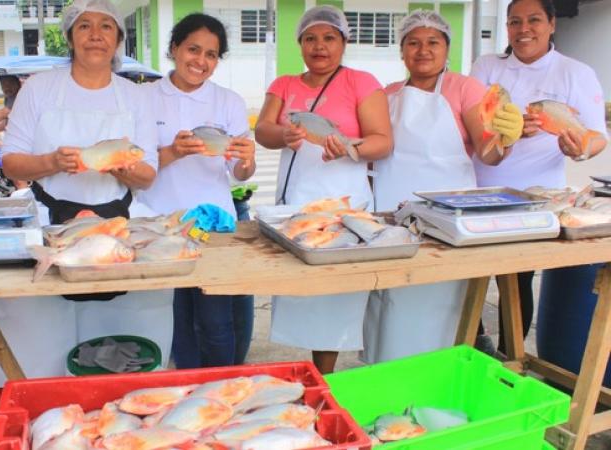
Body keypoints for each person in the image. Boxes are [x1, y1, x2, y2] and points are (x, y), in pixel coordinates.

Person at [0, 0, 169, 389]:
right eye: (85, 26)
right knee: (36, 336)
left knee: (127, 329)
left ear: (119, 39)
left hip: (118, 222)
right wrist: (52, 161)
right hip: (49, 219)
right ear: (70, 38)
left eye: (106, 27)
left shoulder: (136, 96)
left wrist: (121, 166)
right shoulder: (40, 89)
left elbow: (148, 176)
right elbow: (11, 163)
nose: (96, 35)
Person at [362, 10, 523, 363]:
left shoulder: (464, 88)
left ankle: (438, 380)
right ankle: (383, 377)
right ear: (402, 50)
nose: (423, 50)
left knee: (440, 301)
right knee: (390, 298)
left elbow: (488, 151)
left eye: (433, 42)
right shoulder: (386, 94)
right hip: (392, 217)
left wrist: (504, 138)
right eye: (413, 43)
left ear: (446, 48)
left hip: (446, 219)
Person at [254, 5, 393, 374]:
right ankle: (314, 371)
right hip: (298, 203)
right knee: (307, 293)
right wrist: (283, 133)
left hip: (345, 203)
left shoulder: (361, 82)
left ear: (344, 42)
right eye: (311, 38)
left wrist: (350, 148)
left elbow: (383, 141)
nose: (320, 46)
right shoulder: (284, 84)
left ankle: (328, 373)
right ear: (300, 43)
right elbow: (262, 131)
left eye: (329, 37)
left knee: (339, 294)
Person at [470, 0, 607, 356]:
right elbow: (475, 123)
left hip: (535, 195)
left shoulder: (575, 72)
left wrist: (577, 149)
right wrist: (509, 133)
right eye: (514, 21)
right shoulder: (486, 67)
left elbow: (595, 137)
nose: (523, 29)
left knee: (517, 277)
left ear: (551, 24)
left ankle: (510, 352)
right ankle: (475, 337)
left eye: (533, 20)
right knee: (468, 275)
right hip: (478, 187)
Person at [138, 13, 256, 368]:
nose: (200, 61)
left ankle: (223, 384)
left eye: (211, 54)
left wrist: (247, 160)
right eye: (193, 49)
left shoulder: (229, 101)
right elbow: (133, 165)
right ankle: (187, 382)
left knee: (216, 317)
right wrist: (173, 152)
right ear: (174, 48)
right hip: (159, 222)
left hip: (213, 224)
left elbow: (239, 173)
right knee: (173, 317)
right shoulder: (144, 98)